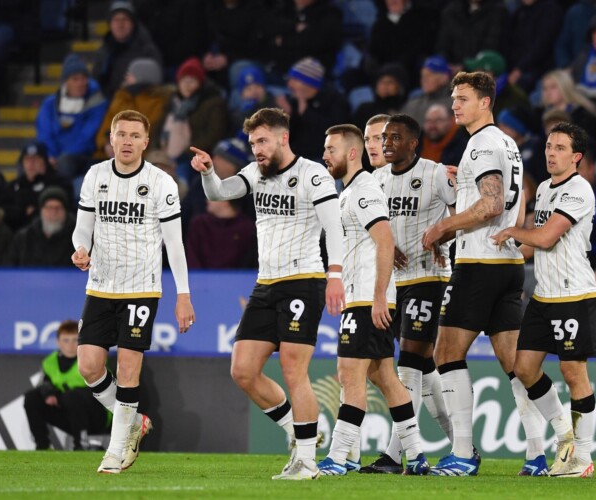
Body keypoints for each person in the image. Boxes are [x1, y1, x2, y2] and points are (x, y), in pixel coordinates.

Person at [189, 107, 345, 480]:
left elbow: (334, 228)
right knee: (243, 370)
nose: (257, 149)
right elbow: (220, 192)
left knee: (293, 368)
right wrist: (209, 172)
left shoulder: (313, 175)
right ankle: (298, 431)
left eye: (262, 141)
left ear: (282, 138)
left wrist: (335, 275)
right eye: (253, 143)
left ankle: (307, 461)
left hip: (303, 279)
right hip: (266, 284)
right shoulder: (255, 173)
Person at [421, 71, 547, 477]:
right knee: (516, 364)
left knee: (445, 353)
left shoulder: (480, 145)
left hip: (479, 265)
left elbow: (491, 205)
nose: (454, 105)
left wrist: (443, 227)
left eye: (462, 98)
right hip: (508, 264)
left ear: (485, 102)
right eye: (453, 98)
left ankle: (462, 453)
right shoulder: (509, 145)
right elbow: (516, 204)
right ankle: (538, 454)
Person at [71, 109, 195, 474]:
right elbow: (82, 228)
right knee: (89, 366)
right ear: (111, 139)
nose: (127, 141)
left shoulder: (161, 183)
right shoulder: (95, 175)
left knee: (128, 368)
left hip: (141, 288)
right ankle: (134, 423)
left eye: (134, 135)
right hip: (100, 286)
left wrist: (183, 294)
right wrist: (80, 249)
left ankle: (115, 451)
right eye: (121, 134)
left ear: (146, 141)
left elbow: (175, 245)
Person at [316, 124, 429, 477]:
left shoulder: (364, 190)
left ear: (352, 153)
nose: (325, 155)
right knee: (384, 377)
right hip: (362, 296)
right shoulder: (349, 191)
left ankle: (338, 457)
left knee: (350, 374)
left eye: (331, 149)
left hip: (368, 298)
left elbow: (385, 241)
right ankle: (417, 455)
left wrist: (379, 297)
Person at [491, 122, 596, 478]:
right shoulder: (542, 188)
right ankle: (564, 434)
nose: (551, 153)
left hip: (573, 294)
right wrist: (503, 252)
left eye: (560, 148)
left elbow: (546, 237)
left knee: (573, 372)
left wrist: (512, 231)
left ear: (576, 157)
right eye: (549, 146)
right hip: (544, 295)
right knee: (523, 368)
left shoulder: (579, 189)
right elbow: (532, 244)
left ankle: (582, 457)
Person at [358, 114, 455, 474]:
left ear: (413, 143)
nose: (386, 144)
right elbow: (368, 226)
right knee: (423, 367)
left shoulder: (436, 174)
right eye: (383, 138)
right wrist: (386, 244)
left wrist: (443, 235)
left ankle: (395, 454)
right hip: (392, 283)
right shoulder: (377, 180)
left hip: (429, 277)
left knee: (410, 362)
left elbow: (462, 216)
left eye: (394, 138)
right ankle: (463, 445)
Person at [23, 320, 111, 450]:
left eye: (75, 340)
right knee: (32, 397)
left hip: (97, 417)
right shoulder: (50, 362)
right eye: (66, 340)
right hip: (69, 415)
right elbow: (43, 384)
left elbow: (100, 392)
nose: (70, 345)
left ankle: (81, 444)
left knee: (72, 396)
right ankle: (42, 446)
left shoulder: (92, 359)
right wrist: (49, 393)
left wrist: (62, 395)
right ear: (58, 342)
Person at [36, 53, 108, 182]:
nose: (80, 83)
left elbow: (87, 136)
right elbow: (45, 132)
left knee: (66, 162)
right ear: (66, 81)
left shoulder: (96, 103)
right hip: (55, 156)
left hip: (83, 157)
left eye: (83, 78)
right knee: (29, 159)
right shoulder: (50, 104)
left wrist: (61, 156)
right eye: (75, 79)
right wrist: (51, 154)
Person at [160, 57, 229, 181]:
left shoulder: (213, 103)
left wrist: (187, 153)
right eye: (184, 81)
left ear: (200, 83)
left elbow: (213, 135)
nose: (187, 85)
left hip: (192, 158)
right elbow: (159, 128)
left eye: (192, 81)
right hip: (165, 154)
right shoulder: (172, 102)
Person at [275, 57, 350, 163]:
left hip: (324, 158)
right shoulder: (294, 100)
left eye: (295, 80)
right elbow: (290, 137)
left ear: (308, 83)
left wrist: (305, 112)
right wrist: (287, 115)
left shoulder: (334, 100)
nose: (289, 84)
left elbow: (333, 132)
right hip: (297, 155)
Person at [92, 1, 163, 99]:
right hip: (110, 102)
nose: (120, 25)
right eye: (116, 20)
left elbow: (157, 83)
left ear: (133, 24)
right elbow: (96, 80)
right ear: (110, 25)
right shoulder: (104, 51)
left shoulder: (147, 50)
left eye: (125, 19)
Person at [4, 141, 72, 231]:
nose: (31, 163)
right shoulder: (14, 185)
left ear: (44, 161)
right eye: (27, 159)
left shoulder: (59, 183)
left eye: (35, 159)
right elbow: (4, 210)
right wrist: (23, 211)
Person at [6, 187, 76, 267]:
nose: (53, 212)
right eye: (49, 208)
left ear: (65, 211)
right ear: (41, 210)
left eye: (58, 208)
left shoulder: (77, 238)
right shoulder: (24, 238)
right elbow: (10, 268)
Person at [185, 198, 257, 269]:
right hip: (200, 276)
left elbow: (249, 263)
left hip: (238, 276)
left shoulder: (247, 228)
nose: (207, 200)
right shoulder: (199, 224)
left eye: (212, 196)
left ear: (225, 200)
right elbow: (192, 258)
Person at [401, 56, 453, 125]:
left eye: (429, 75)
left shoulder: (455, 104)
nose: (424, 79)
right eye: (422, 75)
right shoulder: (413, 104)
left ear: (445, 77)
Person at [419, 104, 468, 168]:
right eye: (428, 121)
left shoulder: (464, 145)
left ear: (450, 121)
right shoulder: (416, 141)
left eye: (438, 120)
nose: (432, 126)